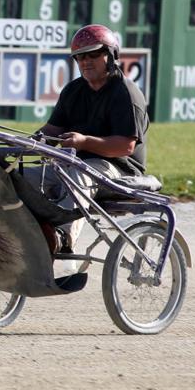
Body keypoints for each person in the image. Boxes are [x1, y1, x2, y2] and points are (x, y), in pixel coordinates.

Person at [32, 24, 150, 251]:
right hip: (76, 164)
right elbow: (52, 130)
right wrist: (32, 140)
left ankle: (62, 238)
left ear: (111, 55)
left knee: (79, 173)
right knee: (25, 174)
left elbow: (125, 146)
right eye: (80, 56)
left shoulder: (126, 93)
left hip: (119, 169)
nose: (86, 61)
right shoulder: (73, 91)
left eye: (94, 54)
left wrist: (84, 142)